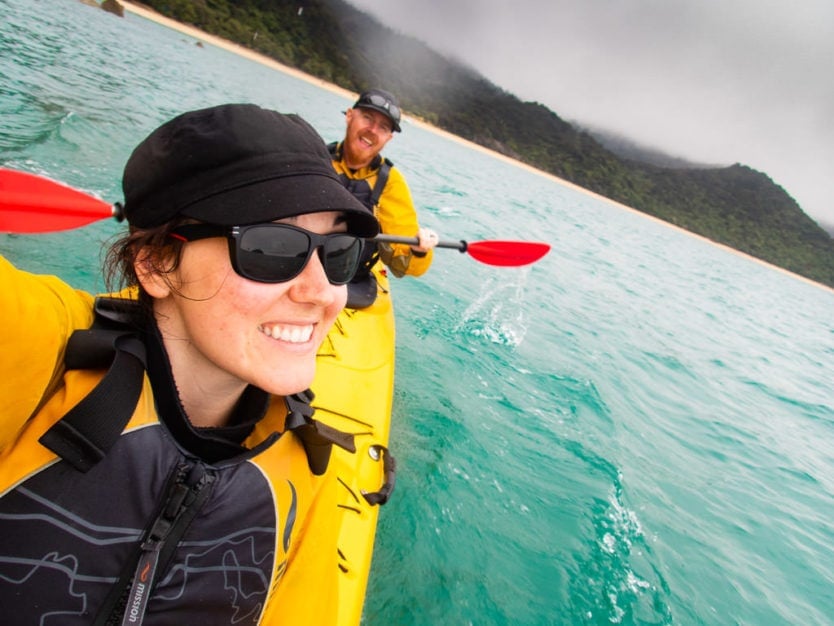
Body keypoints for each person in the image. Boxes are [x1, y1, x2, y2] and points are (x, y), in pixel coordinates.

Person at [0, 104, 379, 624]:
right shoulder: (39, 346)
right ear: (155, 264)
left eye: (339, 252)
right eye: (271, 247)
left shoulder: (307, 467)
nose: (323, 294)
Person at [329, 88, 439, 307]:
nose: (372, 130)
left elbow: (403, 265)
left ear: (388, 138)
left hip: (351, 279)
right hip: (301, 264)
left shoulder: (390, 183)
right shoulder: (316, 158)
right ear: (350, 115)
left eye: (383, 127)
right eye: (367, 118)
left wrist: (418, 251)